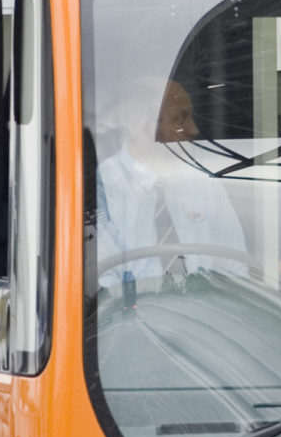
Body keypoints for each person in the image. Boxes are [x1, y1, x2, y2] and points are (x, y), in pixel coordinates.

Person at [96, 75, 248, 294]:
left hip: (205, 314)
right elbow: (103, 288)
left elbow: (234, 270)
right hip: (132, 319)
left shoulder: (204, 184)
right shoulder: (102, 189)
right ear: (142, 125)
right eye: (181, 118)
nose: (194, 130)